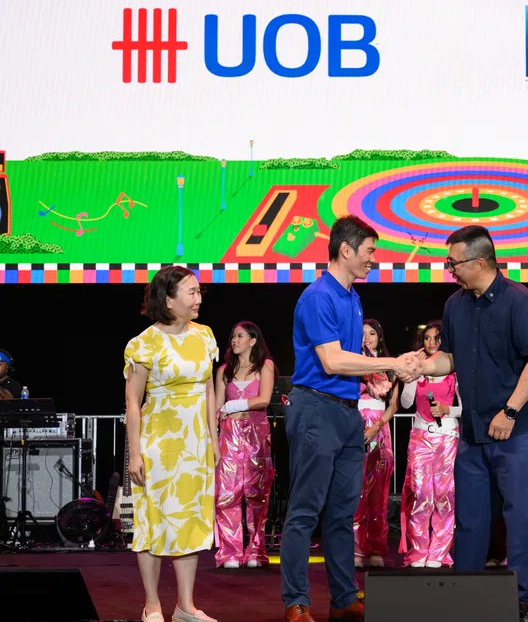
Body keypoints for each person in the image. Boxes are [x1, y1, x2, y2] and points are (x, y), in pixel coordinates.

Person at [280, 215, 420, 622]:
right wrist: (394, 362)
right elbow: (333, 359)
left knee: (343, 512)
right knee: (305, 510)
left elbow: (353, 365)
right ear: (346, 249)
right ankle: (296, 600)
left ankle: (344, 598)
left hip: (347, 413)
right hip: (315, 408)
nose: (374, 259)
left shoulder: (353, 297)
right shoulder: (318, 296)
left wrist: (396, 367)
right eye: (370, 251)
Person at [419, 225, 528, 622]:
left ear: (480, 262)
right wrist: (421, 366)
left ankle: (521, 601)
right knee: (471, 519)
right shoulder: (455, 305)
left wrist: (509, 412)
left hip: (519, 430)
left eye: (453, 263)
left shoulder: (520, 301)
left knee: (520, 517)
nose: (449, 270)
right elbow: (451, 359)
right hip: (473, 433)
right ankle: (465, 596)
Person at [123, 266, 220, 622]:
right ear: (168, 299)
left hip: (195, 443)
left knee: (191, 520)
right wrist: (135, 453)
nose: (198, 298)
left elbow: (209, 389)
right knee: (152, 521)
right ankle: (152, 605)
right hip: (158, 443)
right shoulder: (143, 343)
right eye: (191, 292)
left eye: (199, 292)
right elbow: (133, 401)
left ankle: (186, 607)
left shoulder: (205, 336)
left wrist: (214, 437)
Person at [213, 321, 277, 569]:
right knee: (227, 493)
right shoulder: (224, 371)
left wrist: (234, 406)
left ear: (253, 340)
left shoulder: (265, 366)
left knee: (257, 493)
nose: (234, 340)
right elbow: (218, 406)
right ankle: (230, 551)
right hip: (229, 434)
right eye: (233, 336)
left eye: (240, 336)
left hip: (255, 433)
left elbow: (264, 399)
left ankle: (256, 549)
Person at [398, 321, 461, 568]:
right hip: (420, 436)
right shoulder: (418, 370)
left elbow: (465, 409)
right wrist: (412, 377)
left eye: (437, 338)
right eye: (427, 338)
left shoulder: (455, 370)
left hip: (447, 436)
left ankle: (439, 552)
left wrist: (447, 409)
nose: (431, 343)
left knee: (444, 495)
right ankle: (418, 551)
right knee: (421, 493)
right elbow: (405, 404)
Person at [353, 318, 400, 568]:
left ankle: (376, 548)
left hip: (379, 429)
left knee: (378, 495)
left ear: (379, 337)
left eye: (372, 333)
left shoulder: (389, 367)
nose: (367, 338)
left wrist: (376, 426)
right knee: (354, 492)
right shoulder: (350, 364)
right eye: (362, 333)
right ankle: (356, 550)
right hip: (353, 426)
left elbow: (394, 405)